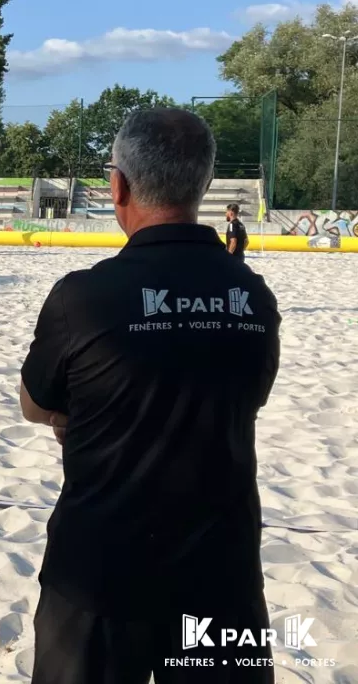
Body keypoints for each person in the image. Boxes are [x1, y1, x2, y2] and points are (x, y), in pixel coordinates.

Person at [19, 108, 281, 684]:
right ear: (205, 186)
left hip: (98, 573)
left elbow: (35, 404)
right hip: (221, 574)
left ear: (118, 185)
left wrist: (81, 414)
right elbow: (244, 398)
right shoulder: (253, 298)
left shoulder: (81, 297)